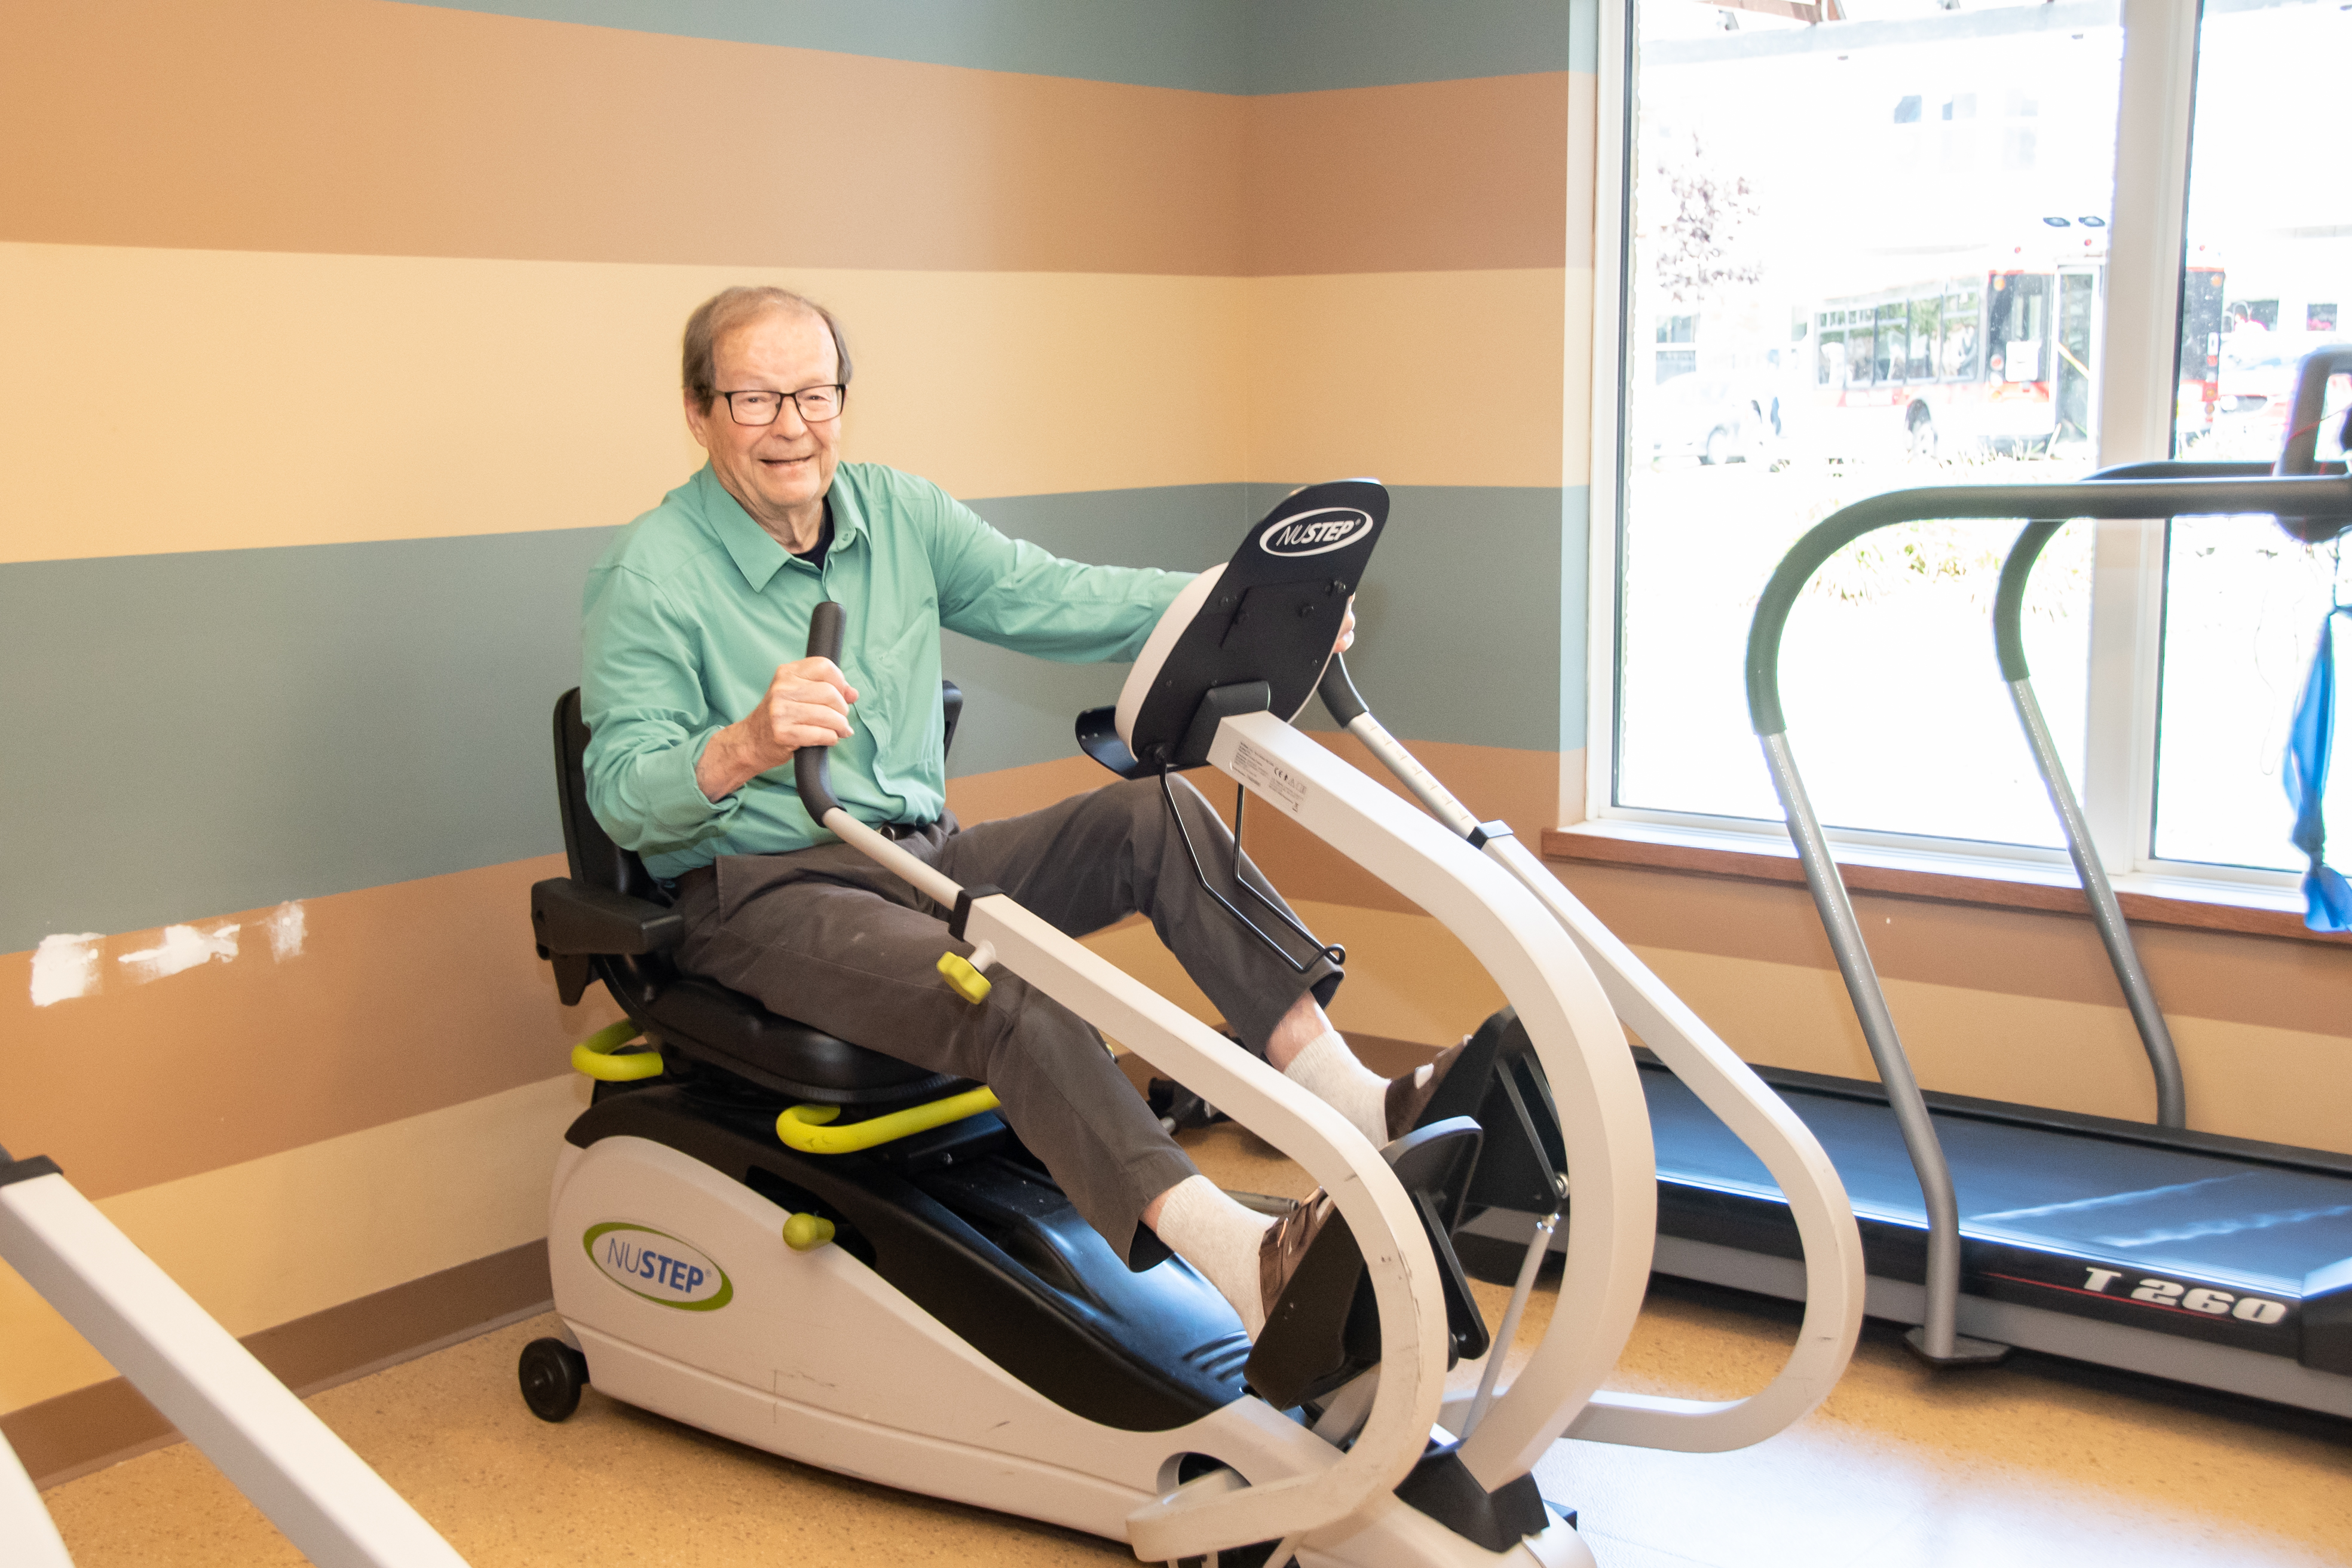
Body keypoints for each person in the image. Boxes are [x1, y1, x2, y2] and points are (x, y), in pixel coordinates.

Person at [581, 285, 1460, 1335]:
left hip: (918, 861)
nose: (791, 428)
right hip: (766, 890)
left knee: (1153, 815)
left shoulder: (896, 513)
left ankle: (1355, 1102)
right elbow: (622, 795)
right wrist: (742, 745)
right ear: (698, 411)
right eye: (755, 399)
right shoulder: (650, 571)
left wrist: (1235, 602)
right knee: (1009, 974)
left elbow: (1055, 595)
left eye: (814, 395)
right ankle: (1241, 1261)